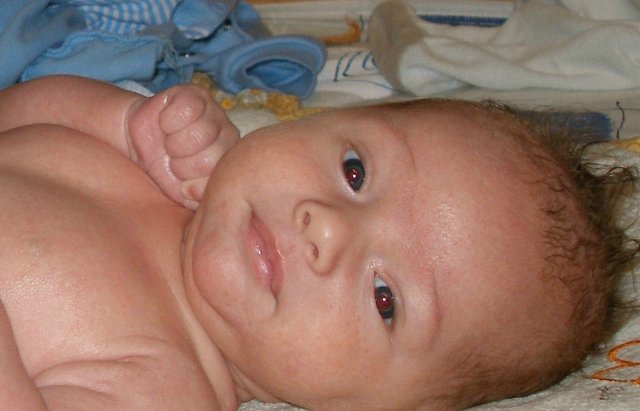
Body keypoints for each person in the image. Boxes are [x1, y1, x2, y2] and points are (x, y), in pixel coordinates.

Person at [0, 75, 635, 411]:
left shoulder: (165, 385)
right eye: (355, 172)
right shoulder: (158, 168)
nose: (327, 228)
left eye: (385, 299)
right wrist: (121, 119)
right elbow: (16, 113)